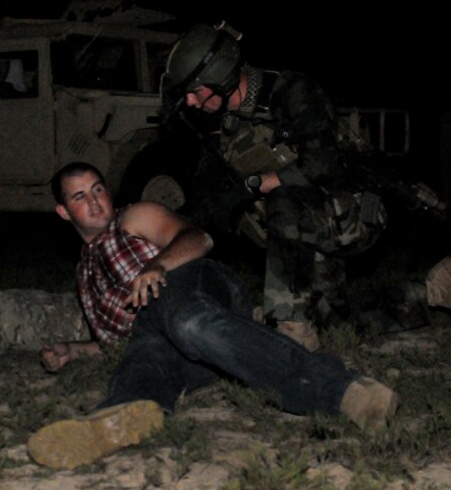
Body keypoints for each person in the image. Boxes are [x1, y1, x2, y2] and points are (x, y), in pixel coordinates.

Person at [25, 161, 399, 470]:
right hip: (159, 337)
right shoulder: (84, 273)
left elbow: (198, 238)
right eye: (79, 196)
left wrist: (157, 265)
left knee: (187, 321)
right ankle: (121, 414)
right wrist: (74, 351)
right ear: (63, 211)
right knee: (143, 356)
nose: (94, 201)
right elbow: (116, 338)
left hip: (194, 288)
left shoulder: (133, 218)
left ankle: (345, 391)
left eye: (98, 189)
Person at [159, 22, 451, 351]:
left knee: (279, 194)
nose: (190, 101)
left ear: (220, 76)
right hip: (303, 233)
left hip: (351, 212)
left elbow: (322, 165)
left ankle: (288, 320)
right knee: (336, 322)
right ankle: (437, 289)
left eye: (195, 90)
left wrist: (252, 185)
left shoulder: (291, 92)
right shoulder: (223, 131)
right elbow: (203, 201)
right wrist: (163, 231)